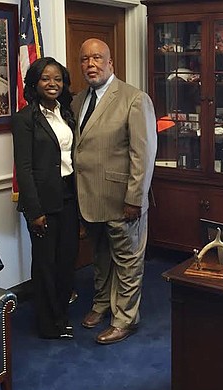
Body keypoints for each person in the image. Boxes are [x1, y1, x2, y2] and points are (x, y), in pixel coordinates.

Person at [72, 38, 157, 345]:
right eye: (84, 59)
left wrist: (135, 198)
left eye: (97, 58)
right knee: (101, 257)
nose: (90, 64)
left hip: (123, 200)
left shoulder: (134, 99)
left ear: (111, 63)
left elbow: (143, 154)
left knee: (128, 260)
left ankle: (125, 319)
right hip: (90, 199)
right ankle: (101, 304)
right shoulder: (78, 100)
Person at [12, 57, 78, 339]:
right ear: (35, 83)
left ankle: (62, 316)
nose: (53, 84)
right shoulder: (25, 119)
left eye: (58, 79)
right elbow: (24, 168)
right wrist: (34, 211)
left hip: (70, 196)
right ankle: (47, 324)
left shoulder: (68, 113)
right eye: (46, 79)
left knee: (66, 260)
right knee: (45, 265)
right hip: (42, 202)